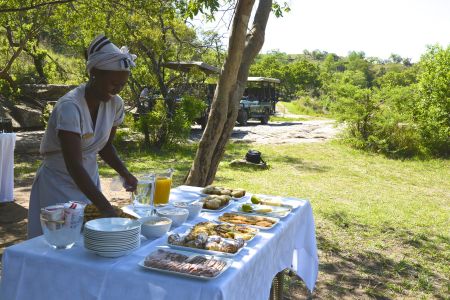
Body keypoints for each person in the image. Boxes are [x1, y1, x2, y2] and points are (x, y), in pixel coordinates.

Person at [27, 35, 138, 239]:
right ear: (94, 73)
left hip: (88, 181)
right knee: (60, 239)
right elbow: (73, 165)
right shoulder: (70, 107)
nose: (117, 89)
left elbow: (105, 147)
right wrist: (105, 207)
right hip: (58, 181)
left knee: (86, 239)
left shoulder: (115, 104)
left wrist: (125, 173)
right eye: (113, 83)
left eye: (122, 85)